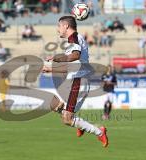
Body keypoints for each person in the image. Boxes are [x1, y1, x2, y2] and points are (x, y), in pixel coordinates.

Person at [42, 16, 109, 147]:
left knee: (67, 118)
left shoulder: (74, 38)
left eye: (59, 26)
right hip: (76, 81)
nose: (58, 30)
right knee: (55, 106)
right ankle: (82, 125)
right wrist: (51, 70)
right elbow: (71, 66)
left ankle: (99, 132)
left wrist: (56, 58)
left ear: (66, 26)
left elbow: (75, 56)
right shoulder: (73, 41)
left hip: (78, 82)